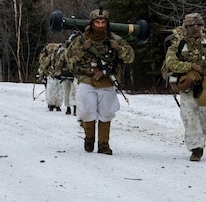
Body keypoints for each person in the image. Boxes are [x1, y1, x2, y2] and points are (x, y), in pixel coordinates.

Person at [64, 8, 134, 155]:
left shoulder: (115, 39)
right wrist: (83, 48)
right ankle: (89, 138)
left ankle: (103, 145)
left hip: (107, 81)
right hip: (86, 80)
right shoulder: (82, 39)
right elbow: (69, 58)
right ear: (92, 22)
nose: (100, 25)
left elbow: (130, 57)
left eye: (103, 22)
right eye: (97, 22)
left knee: (107, 113)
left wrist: (119, 49)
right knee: (87, 111)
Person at [162, 12, 206, 161]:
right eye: (192, 25)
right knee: (189, 117)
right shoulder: (178, 44)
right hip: (187, 85)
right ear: (186, 26)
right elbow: (171, 63)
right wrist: (190, 66)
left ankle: (200, 141)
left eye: (199, 25)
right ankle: (196, 148)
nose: (196, 28)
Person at [37, 42, 62, 111]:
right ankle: (56, 105)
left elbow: (44, 65)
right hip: (57, 74)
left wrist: (41, 73)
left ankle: (52, 104)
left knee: (51, 90)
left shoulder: (49, 56)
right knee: (58, 90)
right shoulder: (58, 55)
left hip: (52, 74)